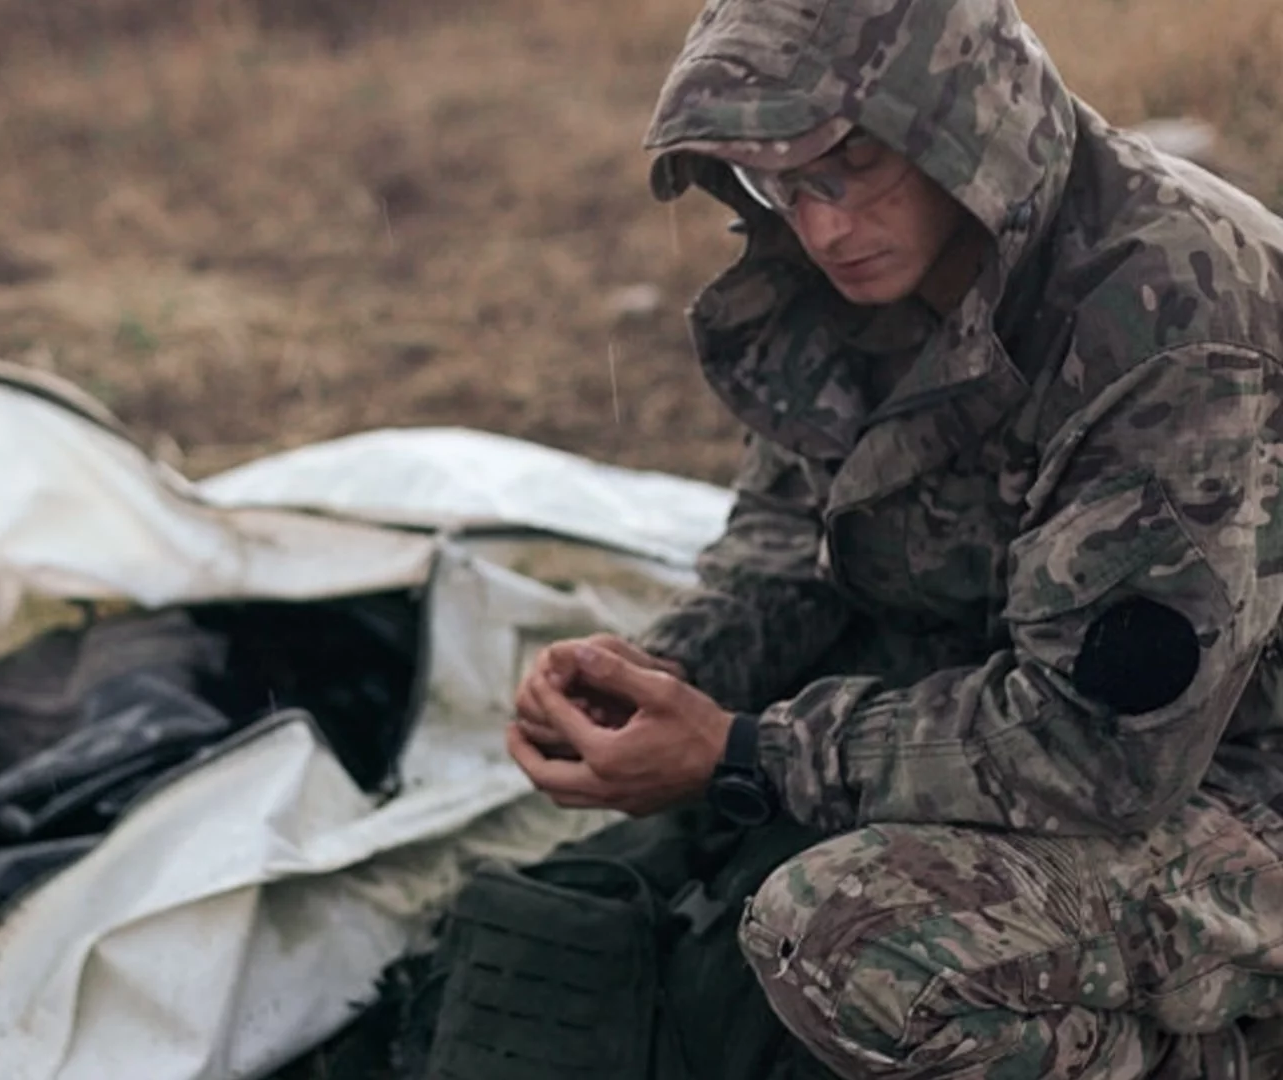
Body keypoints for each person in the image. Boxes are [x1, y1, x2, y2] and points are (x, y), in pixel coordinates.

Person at [507, 0, 1283, 1076]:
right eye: (781, 183)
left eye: (853, 168)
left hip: (1235, 781)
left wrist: (746, 755)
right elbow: (795, 533)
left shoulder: (1171, 310)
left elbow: (1102, 751)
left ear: (961, 125)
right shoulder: (882, 259)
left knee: (851, 941)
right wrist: (657, 672)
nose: (821, 227)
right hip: (1016, 709)